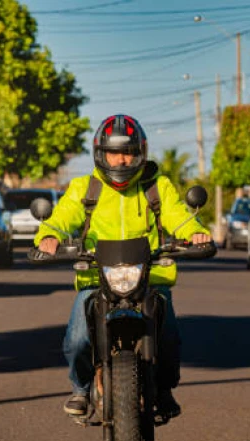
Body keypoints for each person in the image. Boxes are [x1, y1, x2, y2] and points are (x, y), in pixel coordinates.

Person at [34, 114, 211, 419]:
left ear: (140, 152)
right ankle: (81, 387)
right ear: (100, 154)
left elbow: (178, 215)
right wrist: (49, 235)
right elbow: (62, 217)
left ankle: (165, 388)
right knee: (77, 339)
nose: (120, 160)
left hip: (150, 278)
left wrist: (194, 232)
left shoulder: (158, 187)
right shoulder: (84, 188)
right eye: (113, 153)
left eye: (128, 152)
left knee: (169, 336)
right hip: (96, 279)